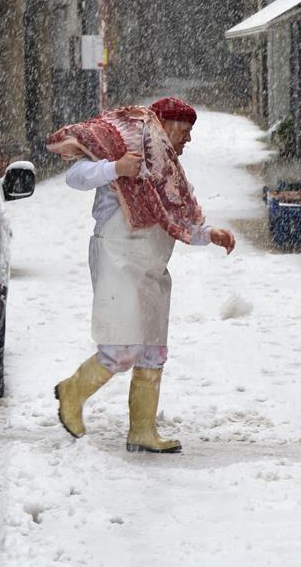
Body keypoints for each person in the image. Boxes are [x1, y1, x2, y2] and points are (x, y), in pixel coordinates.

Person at [49, 97, 235, 453]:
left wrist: (209, 234)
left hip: (151, 264)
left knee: (152, 348)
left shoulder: (166, 168)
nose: (188, 140)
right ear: (163, 127)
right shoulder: (124, 151)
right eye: (185, 131)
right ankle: (71, 392)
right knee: (122, 346)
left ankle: (142, 431)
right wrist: (115, 168)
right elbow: (74, 177)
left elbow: (176, 216)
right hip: (116, 257)